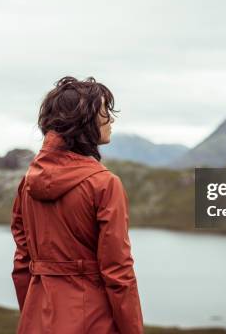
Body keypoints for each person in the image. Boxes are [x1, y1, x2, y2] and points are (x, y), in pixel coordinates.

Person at [10, 76, 144, 334]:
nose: (112, 120)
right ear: (84, 120)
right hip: (93, 321)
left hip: (36, 320)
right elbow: (118, 272)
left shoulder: (27, 184)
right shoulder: (104, 184)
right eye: (105, 112)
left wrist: (33, 315)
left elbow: (21, 264)